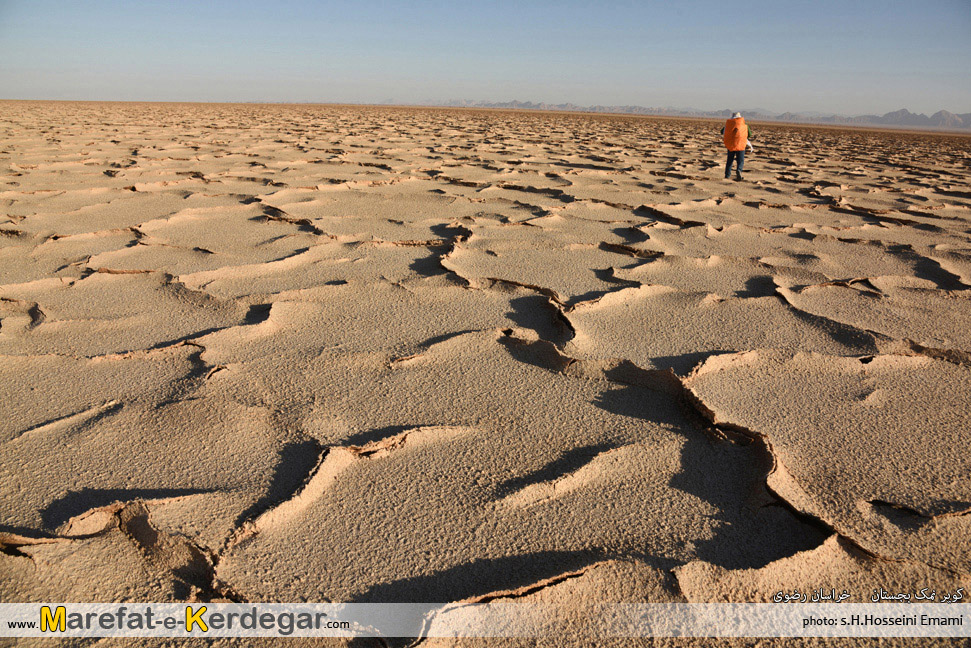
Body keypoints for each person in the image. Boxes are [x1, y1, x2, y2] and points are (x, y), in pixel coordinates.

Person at [721, 112, 752, 180]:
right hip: (741, 144)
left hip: (731, 144)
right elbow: (749, 134)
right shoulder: (744, 124)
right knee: (740, 160)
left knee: (730, 160)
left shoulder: (729, 124)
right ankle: (739, 170)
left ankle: (727, 175)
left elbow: (722, 131)